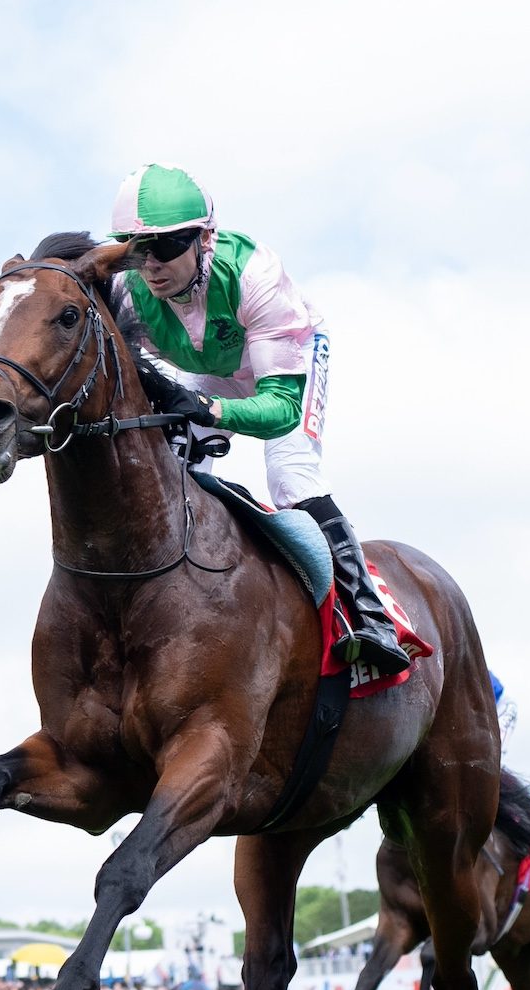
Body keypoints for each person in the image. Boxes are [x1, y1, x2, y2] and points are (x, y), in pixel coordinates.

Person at [105, 163, 409, 676]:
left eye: (166, 246)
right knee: (168, 464)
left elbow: (280, 409)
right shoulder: (128, 288)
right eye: (136, 249)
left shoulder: (255, 277)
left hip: (286, 362)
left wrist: (210, 408)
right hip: (215, 367)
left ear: (204, 239)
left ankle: (369, 616)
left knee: (290, 475)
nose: (150, 265)